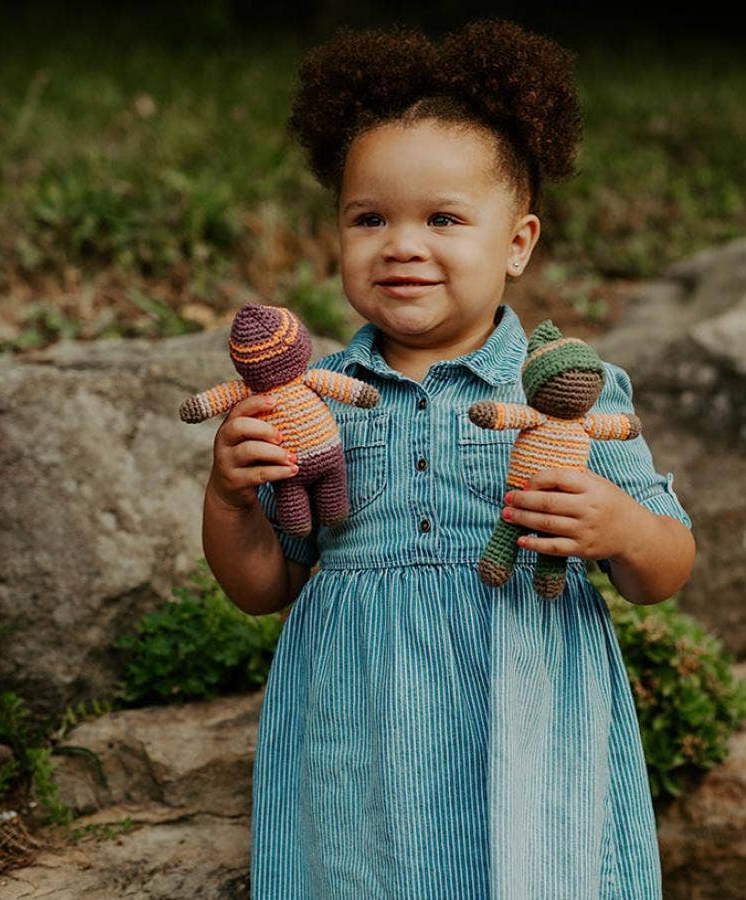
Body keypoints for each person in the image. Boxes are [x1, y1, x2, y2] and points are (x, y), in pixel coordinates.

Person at [201, 18, 695, 898]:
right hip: (362, 729)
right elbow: (264, 587)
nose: (401, 244)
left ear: (518, 242)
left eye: (443, 218)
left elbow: (666, 565)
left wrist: (620, 527)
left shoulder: (567, 391)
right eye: (369, 218)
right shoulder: (316, 397)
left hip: (531, 713)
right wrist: (230, 497)